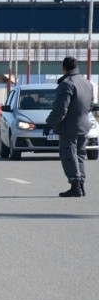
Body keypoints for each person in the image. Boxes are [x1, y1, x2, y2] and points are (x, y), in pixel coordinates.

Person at [45, 56, 94, 197]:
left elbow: (60, 110)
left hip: (69, 127)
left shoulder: (67, 84)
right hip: (83, 125)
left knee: (68, 155)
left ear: (64, 68)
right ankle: (81, 185)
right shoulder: (87, 83)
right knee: (79, 155)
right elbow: (89, 105)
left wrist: (50, 123)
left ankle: (75, 185)